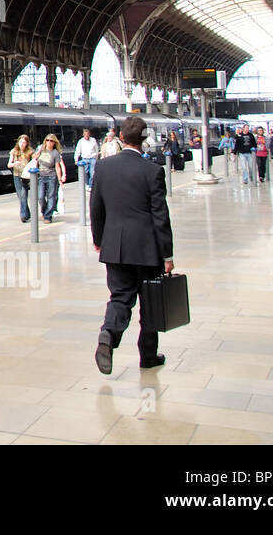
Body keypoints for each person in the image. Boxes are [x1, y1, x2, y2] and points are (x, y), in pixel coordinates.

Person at [91, 116, 175, 374]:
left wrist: (99, 240)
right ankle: (148, 356)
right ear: (144, 140)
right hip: (147, 249)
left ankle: (108, 336)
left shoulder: (103, 167)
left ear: (121, 138)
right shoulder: (152, 171)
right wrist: (167, 254)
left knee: (120, 297)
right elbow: (160, 215)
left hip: (115, 247)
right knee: (150, 303)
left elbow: (96, 208)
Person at [35, 133, 66, 223]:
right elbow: (34, 158)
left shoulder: (55, 153)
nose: (49, 142)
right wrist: (37, 154)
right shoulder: (41, 149)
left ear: (54, 142)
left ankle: (48, 216)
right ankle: (44, 211)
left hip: (51, 176)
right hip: (41, 176)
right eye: (47, 140)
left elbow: (57, 166)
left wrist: (60, 179)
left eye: (51, 141)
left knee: (51, 196)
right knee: (40, 196)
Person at [8, 134, 34, 223]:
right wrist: (14, 164)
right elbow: (9, 164)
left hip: (25, 176)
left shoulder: (30, 152)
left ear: (27, 143)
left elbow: (34, 161)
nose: (22, 144)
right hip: (16, 175)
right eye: (20, 142)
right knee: (21, 196)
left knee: (23, 195)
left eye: (24, 142)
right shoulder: (14, 151)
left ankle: (23, 215)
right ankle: (27, 214)